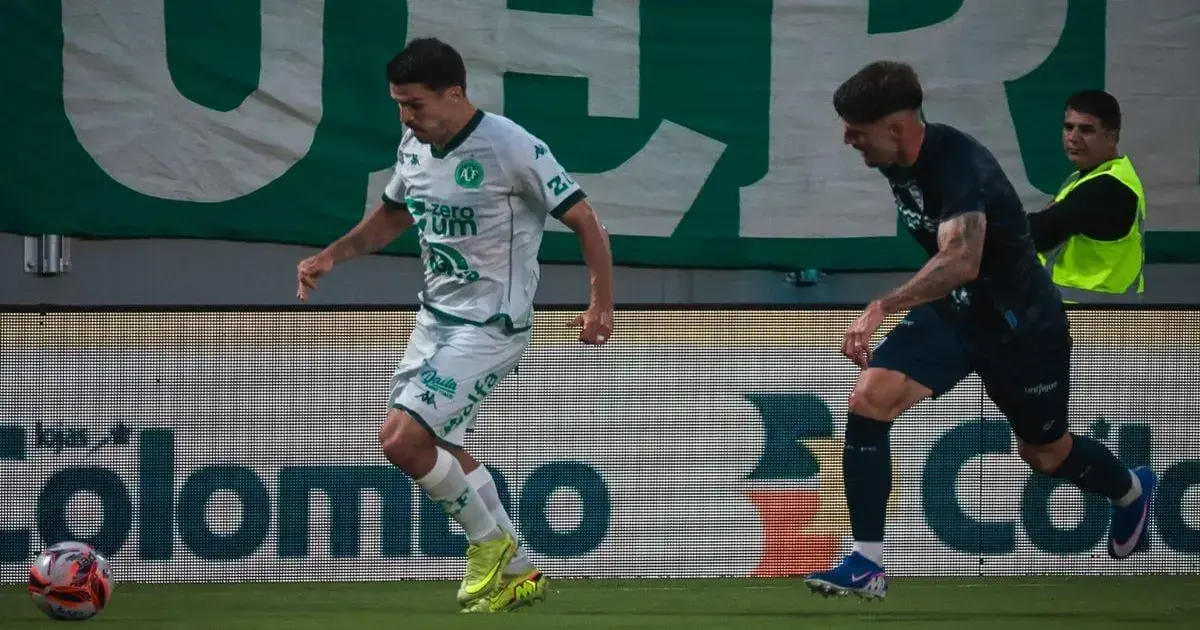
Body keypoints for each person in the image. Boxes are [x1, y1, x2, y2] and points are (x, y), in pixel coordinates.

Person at [804, 61, 1157, 600]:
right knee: (868, 399)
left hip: (1021, 325)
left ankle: (1131, 490)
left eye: (857, 130)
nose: (847, 139)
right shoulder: (895, 157)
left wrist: (883, 305)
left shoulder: (957, 162)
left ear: (897, 127)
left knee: (1044, 454)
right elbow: (958, 274)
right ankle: (867, 561)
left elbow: (962, 259)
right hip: (957, 312)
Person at [295, 37, 615, 613]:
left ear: (455, 94)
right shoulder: (413, 146)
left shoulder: (510, 145)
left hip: (492, 324)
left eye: (414, 104)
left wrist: (600, 304)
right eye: (398, 104)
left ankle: (488, 543)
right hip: (434, 320)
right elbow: (392, 217)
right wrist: (332, 256)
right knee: (439, 443)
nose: (406, 116)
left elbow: (585, 219)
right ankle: (519, 572)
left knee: (401, 440)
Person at [1028, 90, 1147, 303]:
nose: (1073, 137)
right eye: (1068, 127)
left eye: (1086, 130)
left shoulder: (1108, 188)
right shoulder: (1086, 177)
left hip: (1093, 323)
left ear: (1112, 137)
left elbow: (1036, 234)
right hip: (1087, 316)